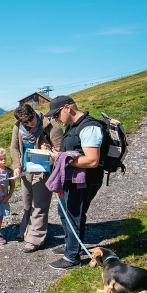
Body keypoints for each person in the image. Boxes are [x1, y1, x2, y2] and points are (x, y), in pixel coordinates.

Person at [44, 95, 104, 270]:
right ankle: (71, 245)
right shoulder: (73, 127)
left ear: (67, 108)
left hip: (84, 181)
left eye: (56, 115)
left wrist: (61, 159)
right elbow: (72, 151)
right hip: (72, 179)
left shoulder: (89, 127)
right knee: (65, 212)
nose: (55, 119)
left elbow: (92, 160)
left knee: (73, 215)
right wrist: (55, 152)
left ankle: (72, 257)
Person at [10, 103, 63, 252]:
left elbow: (60, 149)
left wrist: (48, 151)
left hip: (43, 169)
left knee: (40, 203)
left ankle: (35, 239)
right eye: (24, 122)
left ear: (34, 112)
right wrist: (16, 165)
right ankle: (25, 231)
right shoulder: (17, 127)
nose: (29, 123)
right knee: (27, 203)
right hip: (26, 169)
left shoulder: (51, 125)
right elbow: (14, 147)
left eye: (30, 119)